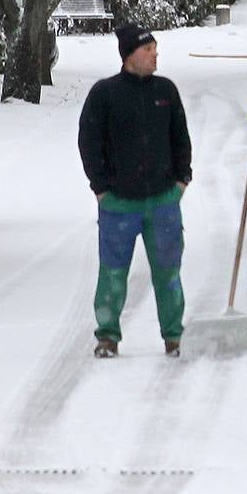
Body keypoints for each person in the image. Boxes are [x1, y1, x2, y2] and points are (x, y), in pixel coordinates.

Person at [78, 24, 192, 359]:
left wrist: (181, 181)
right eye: (148, 50)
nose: (155, 54)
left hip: (162, 202)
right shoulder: (105, 94)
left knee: (169, 273)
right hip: (118, 204)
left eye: (155, 49)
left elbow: (180, 138)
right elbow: (89, 142)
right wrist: (101, 189)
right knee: (112, 274)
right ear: (130, 56)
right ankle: (108, 337)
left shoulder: (166, 91)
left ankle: (174, 336)